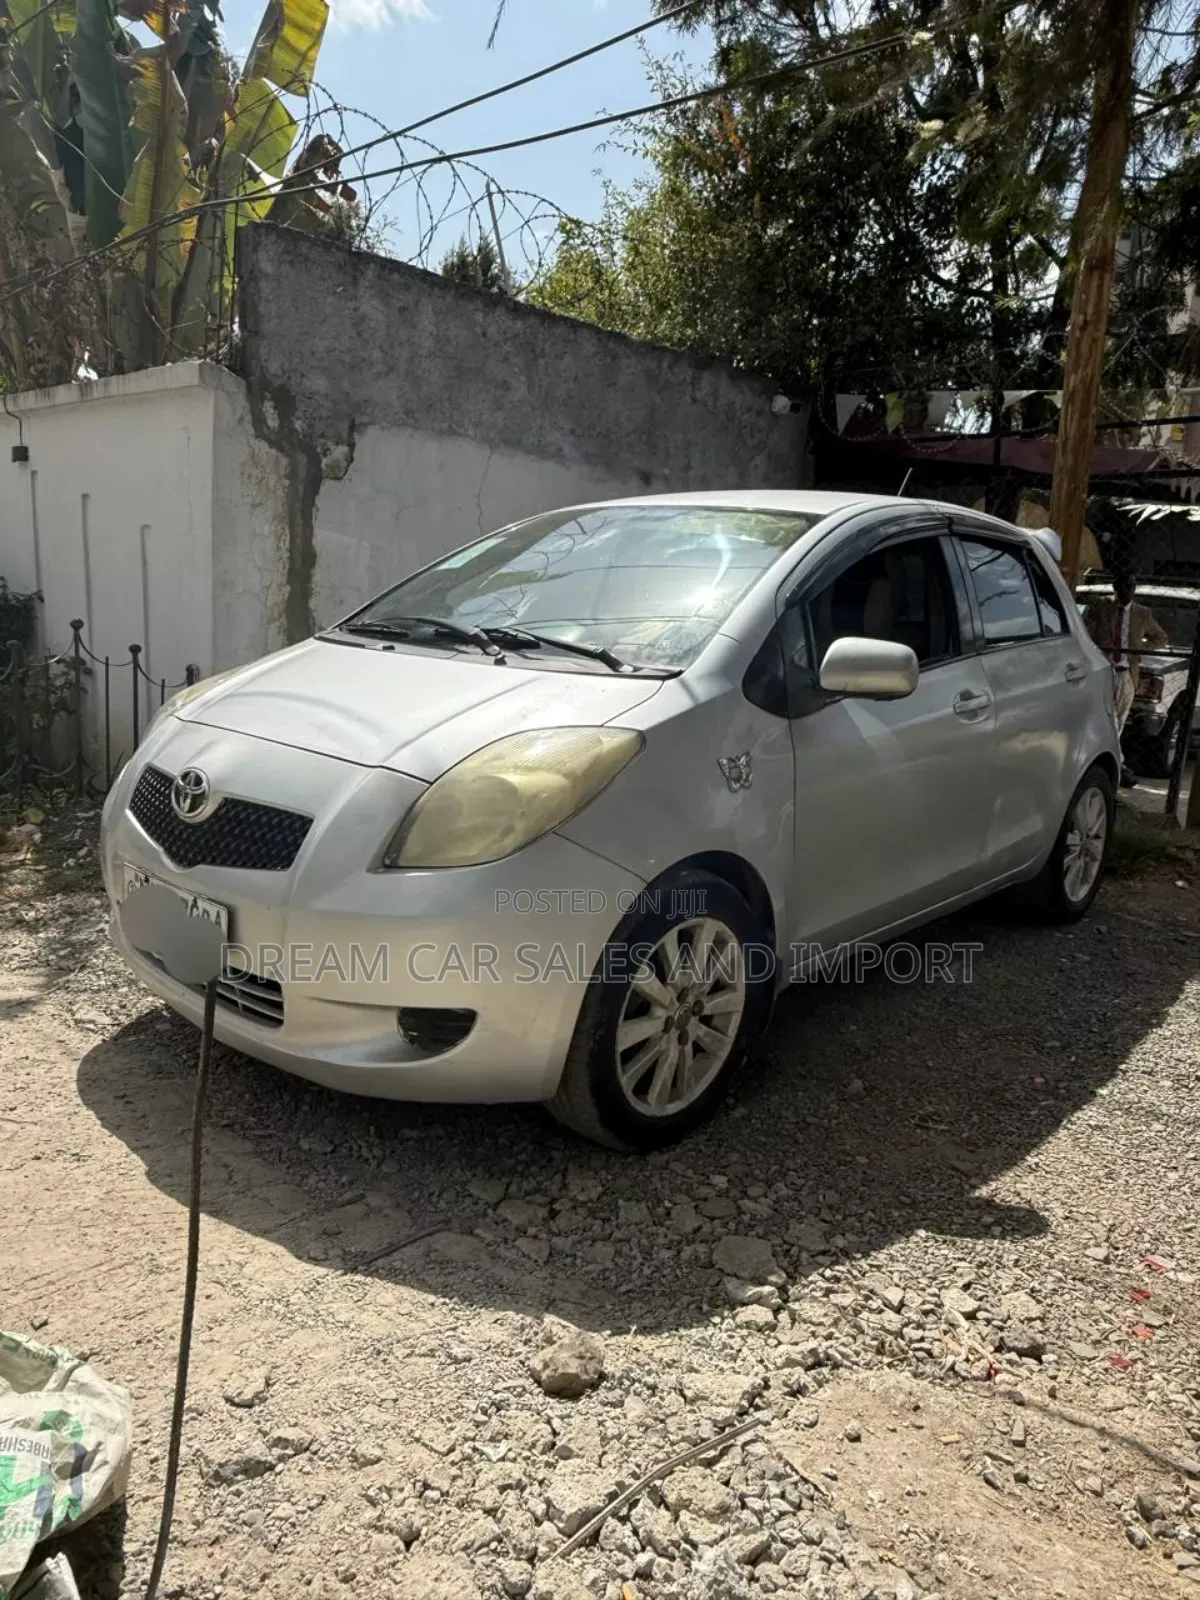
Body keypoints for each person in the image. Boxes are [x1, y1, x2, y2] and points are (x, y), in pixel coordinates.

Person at [1083, 573, 1169, 786]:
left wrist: (1138, 648)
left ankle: (1114, 762)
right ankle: (1116, 764)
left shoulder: (1141, 613)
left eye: (1130, 586)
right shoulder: (1101, 606)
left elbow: (1161, 637)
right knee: (1103, 717)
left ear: (1134, 588)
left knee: (1118, 721)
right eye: (1122, 586)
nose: (1126, 591)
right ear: (1115, 586)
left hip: (1126, 673)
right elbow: (1084, 629)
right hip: (1102, 670)